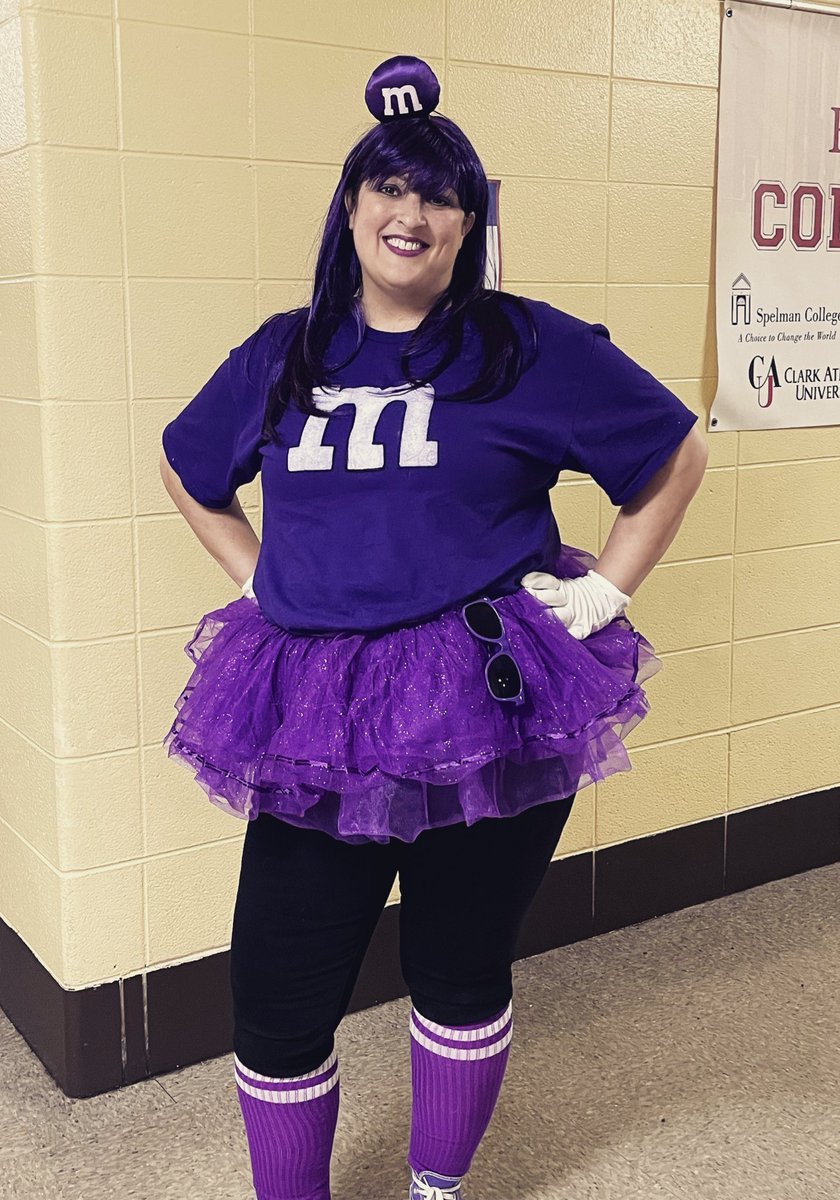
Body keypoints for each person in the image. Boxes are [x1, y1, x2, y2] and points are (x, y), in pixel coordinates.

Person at [159, 54, 706, 1200]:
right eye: (390, 188)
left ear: (469, 220)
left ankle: (436, 1191)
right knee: (275, 996)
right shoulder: (284, 352)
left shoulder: (523, 345)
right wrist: (258, 576)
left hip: (486, 703)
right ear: (353, 206)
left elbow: (672, 452)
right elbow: (187, 465)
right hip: (317, 718)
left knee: (458, 968)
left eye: (441, 195)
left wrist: (608, 589)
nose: (412, 213)